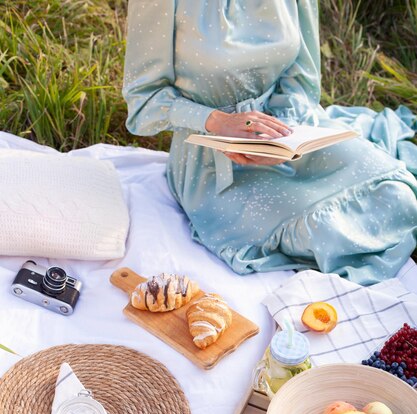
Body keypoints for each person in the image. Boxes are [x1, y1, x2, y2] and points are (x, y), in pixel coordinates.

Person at [122, 1, 417, 285]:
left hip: (287, 131)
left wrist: (283, 142)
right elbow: (144, 102)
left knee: (399, 197)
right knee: (325, 234)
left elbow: (301, 80)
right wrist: (216, 121)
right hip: (211, 162)